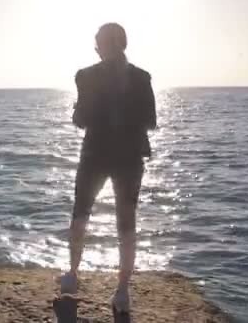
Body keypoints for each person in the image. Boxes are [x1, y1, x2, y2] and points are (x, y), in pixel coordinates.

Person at [60, 23, 157, 315]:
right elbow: (151, 121)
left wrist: (81, 113)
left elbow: (81, 119)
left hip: (94, 155)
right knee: (126, 224)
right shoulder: (142, 78)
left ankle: (72, 275)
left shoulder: (85, 76)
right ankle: (122, 292)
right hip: (129, 159)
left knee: (80, 215)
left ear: (101, 46)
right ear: (123, 44)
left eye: (97, 44)